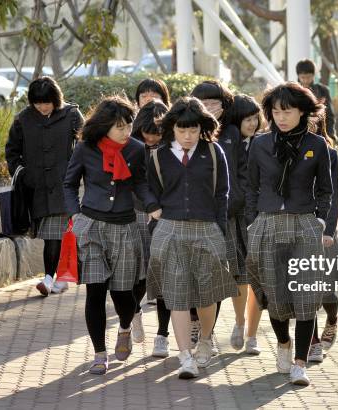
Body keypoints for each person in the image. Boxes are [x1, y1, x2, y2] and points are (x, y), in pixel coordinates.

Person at [63, 96, 161, 375]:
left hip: (125, 227)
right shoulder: (85, 149)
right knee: (95, 291)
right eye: (119, 126)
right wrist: (75, 215)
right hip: (92, 226)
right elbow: (69, 184)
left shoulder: (137, 149)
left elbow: (141, 183)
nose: (126, 131)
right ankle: (99, 353)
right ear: (105, 126)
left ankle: (126, 327)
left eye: (129, 125)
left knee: (123, 295)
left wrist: (153, 206)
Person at [245, 82, 333, 386]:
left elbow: (325, 191)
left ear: (302, 111)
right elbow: (250, 187)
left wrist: (320, 223)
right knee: (276, 296)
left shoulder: (317, 145)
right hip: (268, 224)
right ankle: (283, 343)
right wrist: (252, 222)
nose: (281, 117)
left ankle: (300, 363)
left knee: (307, 296)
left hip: (304, 225)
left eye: (288, 111)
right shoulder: (259, 144)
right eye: (276, 111)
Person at [146, 97, 238, 379]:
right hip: (170, 229)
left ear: (202, 129)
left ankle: (206, 340)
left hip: (207, 229)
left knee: (207, 295)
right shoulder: (158, 156)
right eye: (182, 130)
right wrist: (152, 207)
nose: (187, 136)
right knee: (177, 297)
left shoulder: (213, 152)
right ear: (172, 128)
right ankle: (185, 355)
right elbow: (146, 187)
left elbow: (222, 194)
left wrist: (220, 231)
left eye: (193, 131)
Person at [5, 76, 84, 296]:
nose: (42, 107)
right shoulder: (23, 119)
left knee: (55, 234)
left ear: (56, 99)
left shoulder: (71, 115)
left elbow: (85, 144)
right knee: (54, 235)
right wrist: (22, 174)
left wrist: (76, 171)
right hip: (37, 187)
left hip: (65, 185)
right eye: (37, 103)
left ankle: (50, 278)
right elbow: (12, 151)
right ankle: (58, 277)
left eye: (46, 102)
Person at [190, 81, 249, 354]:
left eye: (216, 103)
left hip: (229, 215)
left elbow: (241, 171)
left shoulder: (232, 133)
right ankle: (198, 326)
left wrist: (239, 201)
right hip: (196, 213)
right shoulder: (189, 132)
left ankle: (208, 332)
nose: (212, 108)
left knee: (221, 275)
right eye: (206, 103)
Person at [130, 99, 172, 356]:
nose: (152, 138)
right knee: (139, 277)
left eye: (157, 133)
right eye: (147, 133)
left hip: (165, 217)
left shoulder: (172, 148)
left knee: (163, 278)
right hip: (135, 215)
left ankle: (163, 335)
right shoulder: (133, 148)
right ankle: (134, 312)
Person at [225, 94, 266, 355]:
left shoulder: (264, 143)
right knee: (240, 273)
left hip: (262, 216)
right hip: (236, 216)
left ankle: (252, 334)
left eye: (254, 118)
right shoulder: (229, 144)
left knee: (259, 276)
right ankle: (240, 323)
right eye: (246, 119)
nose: (251, 124)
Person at [307, 125, 338, 363]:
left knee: (327, 290)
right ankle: (312, 343)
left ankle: (332, 319)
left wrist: (328, 230)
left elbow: (333, 196)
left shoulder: (328, 153)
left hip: (323, 228)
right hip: (297, 227)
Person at [296, 58, 337, 140]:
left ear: (313, 75)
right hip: (297, 134)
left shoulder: (323, 90)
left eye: (308, 77)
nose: (305, 80)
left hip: (319, 135)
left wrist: (330, 135)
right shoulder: (293, 91)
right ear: (298, 76)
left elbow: (329, 115)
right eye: (302, 77)